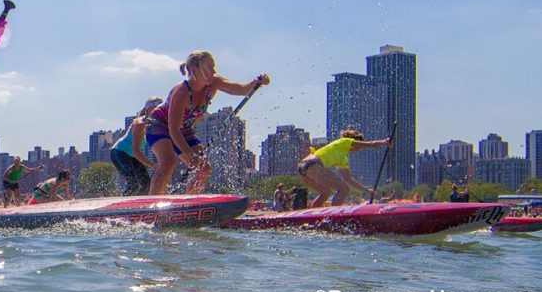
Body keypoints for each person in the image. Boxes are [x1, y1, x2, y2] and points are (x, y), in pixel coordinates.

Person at [146, 51, 270, 194]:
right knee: (168, 162)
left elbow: (241, 89)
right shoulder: (181, 92)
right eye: (209, 68)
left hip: (184, 129)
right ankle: (152, 203)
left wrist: (257, 82)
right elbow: (173, 129)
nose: (214, 72)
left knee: (203, 168)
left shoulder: (215, 82)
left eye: (213, 68)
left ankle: (190, 203)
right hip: (159, 125)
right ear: (194, 70)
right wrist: (189, 155)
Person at [297, 128, 390, 208]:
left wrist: (366, 189)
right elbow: (370, 144)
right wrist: (383, 142)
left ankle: (312, 218)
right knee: (344, 189)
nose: (358, 148)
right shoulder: (345, 141)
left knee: (325, 193)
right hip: (313, 165)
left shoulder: (343, 158)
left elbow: (349, 180)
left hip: (302, 167)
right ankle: (332, 218)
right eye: (358, 145)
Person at [110, 96, 162, 196]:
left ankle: (139, 204)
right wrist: (153, 165)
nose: (158, 112)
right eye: (154, 109)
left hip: (132, 156)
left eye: (160, 109)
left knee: (146, 183)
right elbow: (136, 152)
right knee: (133, 183)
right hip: (119, 153)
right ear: (147, 111)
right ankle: (121, 206)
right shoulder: (140, 123)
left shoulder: (156, 124)